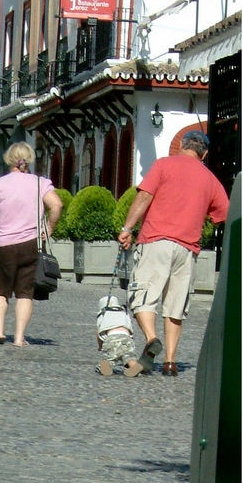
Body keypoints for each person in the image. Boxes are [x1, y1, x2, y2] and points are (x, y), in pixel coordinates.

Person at [118, 130, 229, 376]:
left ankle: (150, 339)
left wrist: (127, 228)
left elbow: (144, 196)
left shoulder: (163, 165)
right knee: (176, 306)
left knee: (143, 296)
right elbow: (224, 214)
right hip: (187, 248)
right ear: (205, 153)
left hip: (156, 241)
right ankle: (170, 361)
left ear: (181, 146)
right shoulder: (209, 178)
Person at [0, 141, 62, 347]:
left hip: (1, 244)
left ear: (9, 160)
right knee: (25, 292)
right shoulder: (40, 183)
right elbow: (57, 204)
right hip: (29, 244)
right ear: (29, 160)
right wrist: (49, 227)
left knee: (0, 290)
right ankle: (19, 337)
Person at [96, 295, 141, 377]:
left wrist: (100, 346)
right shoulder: (124, 312)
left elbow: (99, 332)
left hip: (111, 338)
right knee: (129, 357)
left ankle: (105, 367)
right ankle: (134, 366)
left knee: (109, 358)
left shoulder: (103, 314)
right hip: (127, 338)